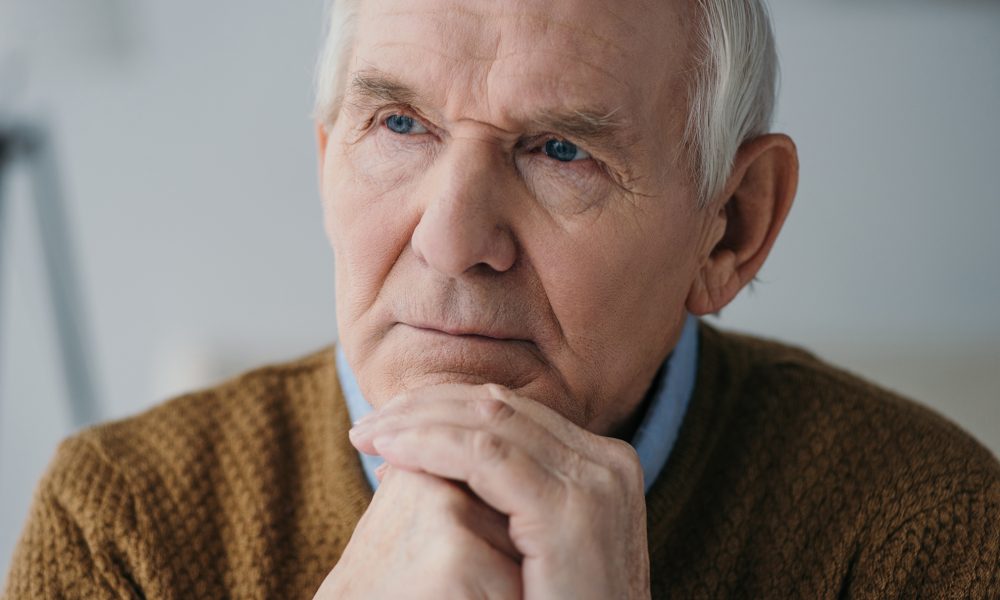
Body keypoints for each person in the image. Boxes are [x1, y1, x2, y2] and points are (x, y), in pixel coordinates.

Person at [4, 0, 999, 597]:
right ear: (326, 161)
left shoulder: (923, 535)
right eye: (400, 125)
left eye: (560, 150)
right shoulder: (121, 524)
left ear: (730, 227)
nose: (451, 240)